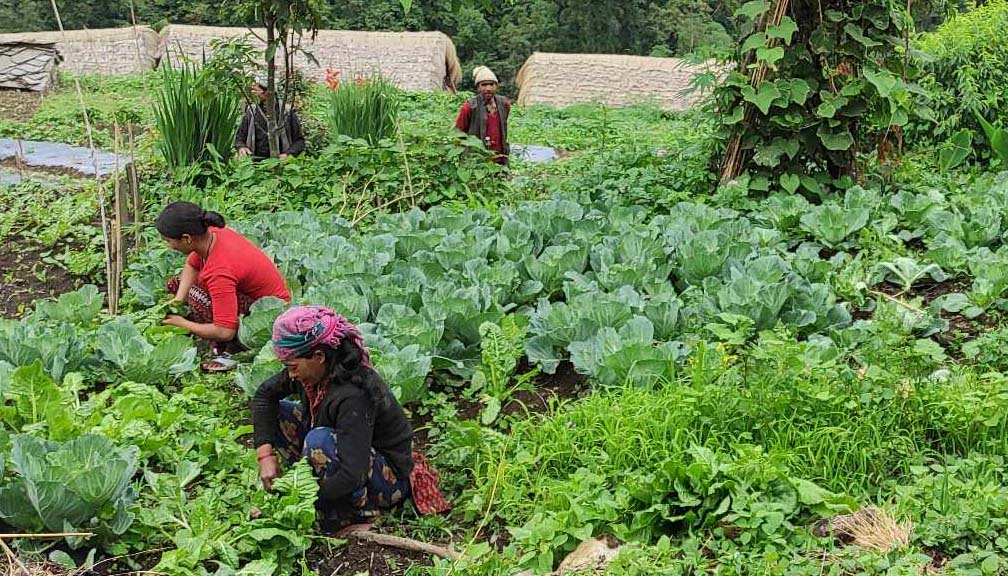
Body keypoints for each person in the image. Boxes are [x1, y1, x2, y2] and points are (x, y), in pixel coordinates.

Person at [252, 306, 450, 532]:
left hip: (384, 477)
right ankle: (313, 483)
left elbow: (352, 475)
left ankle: (356, 513)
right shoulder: (313, 373)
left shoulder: (353, 394)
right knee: (281, 412)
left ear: (319, 356)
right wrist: (265, 456)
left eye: (293, 367)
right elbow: (264, 396)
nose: (290, 375)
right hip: (347, 453)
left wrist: (296, 498)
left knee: (320, 440)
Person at [157, 201, 291, 371]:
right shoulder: (213, 234)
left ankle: (230, 351)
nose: (169, 246)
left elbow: (224, 331)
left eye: (169, 241)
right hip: (261, 299)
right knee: (179, 284)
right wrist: (178, 300)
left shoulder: (219, 271)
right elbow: (192, 264)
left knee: (197, 297)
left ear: (187, 239)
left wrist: (182, 323)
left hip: (269, 317)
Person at [235, 73, 306, 160]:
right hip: (255, 165)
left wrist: (288, 154)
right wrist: (241, 147)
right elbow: (240, 137)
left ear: (267, 92)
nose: (253, 93)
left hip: (280, 164)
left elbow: (299, 141)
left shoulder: (286, 112)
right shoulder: (251, 111)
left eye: (256, 90)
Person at [454, 66, 511, 165]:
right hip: (476, 160)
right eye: (484, 85)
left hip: (500, 159)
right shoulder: (469, 107)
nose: (488, 88)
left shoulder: (504, 104)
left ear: (496, 86)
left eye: (491, 84)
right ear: (478, 87)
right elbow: (458, 133)